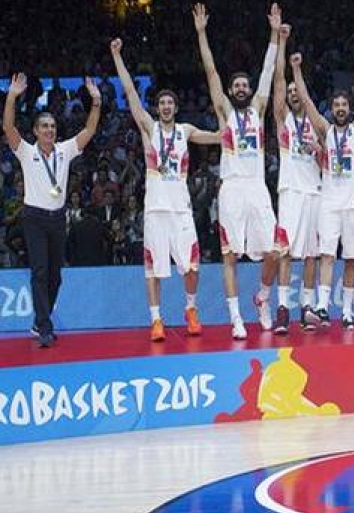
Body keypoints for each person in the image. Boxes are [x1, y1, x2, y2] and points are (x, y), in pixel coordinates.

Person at [111, 37, 220, 342]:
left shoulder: (185, 131)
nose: (166, 107)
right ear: (157, 108)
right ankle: (156, 320)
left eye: (170, 103)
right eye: (162, 103)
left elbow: (215, 137)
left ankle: (190, 309)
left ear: (176, 106)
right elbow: (131, 92)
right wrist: (117, 57)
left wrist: (232, 131)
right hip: (156, 210)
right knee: (152, 269)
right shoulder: (149, 128)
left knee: (192, 265)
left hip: (181, 209)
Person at [193, 2, 281, 339]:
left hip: (257, 187)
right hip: (230, 187)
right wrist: (202, 34)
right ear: (231, 92)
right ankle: (235, 318)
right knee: (229, 254)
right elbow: (212, 71)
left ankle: (262, 297)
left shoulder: (258, 110)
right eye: (238, 86)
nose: (242, 89)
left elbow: (269, 71)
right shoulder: (224, 112)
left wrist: (274, 33)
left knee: (274, 250)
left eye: (246, 85)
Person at [290, 26, 354, 329]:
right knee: (327, 254)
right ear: (332, 109)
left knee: (352, 259)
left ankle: (346, 310)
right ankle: (322, 306)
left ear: (349, 108)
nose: (340, 109)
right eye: (337, 106)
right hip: (329, 201)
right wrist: (296, 69)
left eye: (344, 105)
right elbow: (304, 100)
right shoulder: (325, 130)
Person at [3, 73, 101, 347]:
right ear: (35, 131)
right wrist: (12, 96)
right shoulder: (25, 151)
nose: (49, 130)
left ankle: (38, 321)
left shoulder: (65, 150)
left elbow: (90, 131)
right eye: (44, 126)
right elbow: (8, 126)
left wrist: (96, 101)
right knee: (40, 272)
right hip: (33, 218)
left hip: (58, 218)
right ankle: (45, 327)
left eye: (53, 126)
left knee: (56, 275)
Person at [272, 24, 323, 334]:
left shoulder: (317, 123)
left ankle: (305, 307)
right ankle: (282, 308)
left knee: (311, 254)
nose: (292, 94)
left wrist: (319, 149)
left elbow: (329, 155)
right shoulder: (283, 120)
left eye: (296, 91)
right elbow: (278, 80)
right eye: (289, 92)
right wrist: (282, 43)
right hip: (291, 190)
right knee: (285, 251)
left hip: (315, 191)